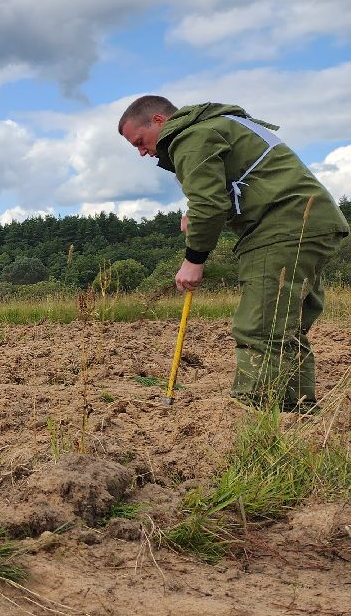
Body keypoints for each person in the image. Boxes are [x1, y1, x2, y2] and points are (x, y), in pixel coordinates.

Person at [118, 95, 348, 411]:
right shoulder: (214, 125)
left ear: (158, 120)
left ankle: (255, 417)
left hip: (283, 225)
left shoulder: (191, 136)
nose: (142, 152)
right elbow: (229, 189)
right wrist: (198, 213)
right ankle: (296, 415)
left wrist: (193, 260)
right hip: (305, 223)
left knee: (260, 327)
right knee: (282, 328)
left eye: (140, 143)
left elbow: (210, 204)